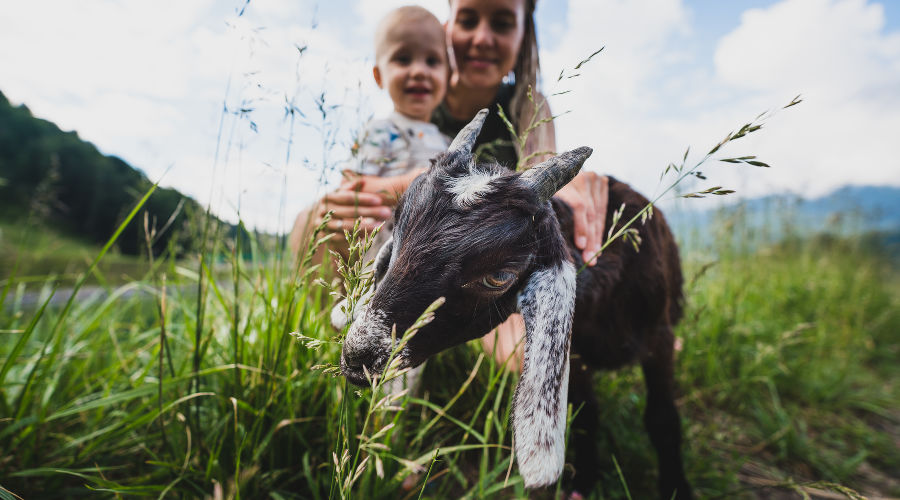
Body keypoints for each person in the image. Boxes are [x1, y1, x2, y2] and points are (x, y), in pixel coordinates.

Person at [289, 0, 609, 371]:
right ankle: (329, 351)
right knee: (309, 221)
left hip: (467, 277)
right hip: (396, 253)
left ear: (524, 34)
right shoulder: (416, 101)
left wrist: (572, 182)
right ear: (447, 28)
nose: (483, 37)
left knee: (520, 357)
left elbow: (537, 190)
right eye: (469, 19)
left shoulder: (528, 106)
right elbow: (355, 188)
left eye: (503, 23)